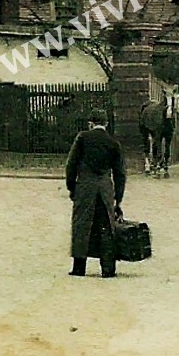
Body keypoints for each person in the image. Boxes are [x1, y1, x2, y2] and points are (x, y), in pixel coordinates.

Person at [65, 108, 126, 278]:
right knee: (106, 226)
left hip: (85, 187)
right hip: (105, 189)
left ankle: (79, 267)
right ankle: (108, 269)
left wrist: (72, 187)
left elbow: (71, 165)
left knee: (81, 226)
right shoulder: (114, 143)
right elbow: (120, 173)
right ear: (106, 123)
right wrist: (118, 198)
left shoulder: (83, 138)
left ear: (91, 123)